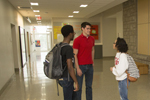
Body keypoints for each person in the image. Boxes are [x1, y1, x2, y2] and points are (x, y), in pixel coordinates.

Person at [73, 22, 95, 100]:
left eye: (90, 28)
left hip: (90, 66)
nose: (89, 30)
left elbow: (92, 50)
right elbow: (75, 54)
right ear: (82, 28)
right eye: (87, 28)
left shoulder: (92, 39)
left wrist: (92, 62)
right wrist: (77, 68)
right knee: (79, 87)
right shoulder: (77, 40)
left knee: (89, 87)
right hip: (81, 66)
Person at [58, 25, 79, 100]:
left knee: (74, 97)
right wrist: (76, 81)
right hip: (67, 78)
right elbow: (70, 67)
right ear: (70, 34)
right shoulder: (68, 48)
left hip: (61, 77)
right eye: (73, 32)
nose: (74, 34)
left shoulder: (60, 46)